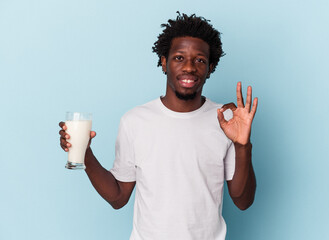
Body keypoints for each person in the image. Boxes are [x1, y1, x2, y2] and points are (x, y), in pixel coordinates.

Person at [59, 12, 258, 240]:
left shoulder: (226, 121)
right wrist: (85, 153)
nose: (190, 67)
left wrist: (243, 146)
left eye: (200, 60)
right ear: (164, 62)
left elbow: (243, 202)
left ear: (211, 67)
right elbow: (118, 198)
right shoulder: (135, 121)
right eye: (179, 58)